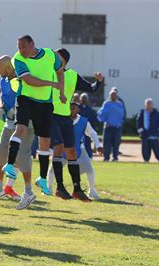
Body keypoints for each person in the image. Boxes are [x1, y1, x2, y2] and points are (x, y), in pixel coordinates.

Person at [2, 35, 65, 206]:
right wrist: (53, 85)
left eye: (23, 46)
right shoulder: (17, 59)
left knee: (45, 141)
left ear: (32, 44)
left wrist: (61, 91)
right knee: (21, 129)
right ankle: (9, 165)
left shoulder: (50, 55)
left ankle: (43, 179)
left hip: (45, 103)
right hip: (26, 99)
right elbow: (29, 80)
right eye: (19, 47)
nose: (21, 50)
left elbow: (60, 70)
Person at [48, 48, 102, 201]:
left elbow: (91, 88)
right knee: (58, 149)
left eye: (56, 57)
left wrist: (98, 81)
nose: (53, 59)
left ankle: (77, 189)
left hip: (65, 118)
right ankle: (59, 187)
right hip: (51, 116)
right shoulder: (47, 72)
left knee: (71, 152)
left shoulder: (72, 75)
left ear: (63, 60)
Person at [0, 55, 36, 209]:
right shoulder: (3, 81)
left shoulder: (21, 80)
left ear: (7, 67)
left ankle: (28, 192)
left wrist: (18, 110)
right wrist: (0, 108)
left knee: (21, 158)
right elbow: (3, 100)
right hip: (9, 124)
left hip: (25, 124)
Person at [47, 102, 103, 199]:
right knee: (52, 170)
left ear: (78, 109)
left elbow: (92, 133)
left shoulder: (83, 121)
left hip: (78, 149)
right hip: (62, 150)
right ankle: (49, 188)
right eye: (70, 107)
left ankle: (92, 190)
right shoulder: (61, 119)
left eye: (74, 108)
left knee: (90, 170)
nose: (71, 110)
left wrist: (98, 145)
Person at [97, 90, 125, 161]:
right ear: (109, 96)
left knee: (116, 143)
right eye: (112, 95)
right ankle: (106, 157)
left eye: (114, 95)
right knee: (106, 143)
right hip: (108, 127)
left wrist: (120, 122)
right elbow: (101, 113)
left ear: (117, 96)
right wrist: (104, 120)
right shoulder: (106, 103)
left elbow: (122, 114)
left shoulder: (120, 104)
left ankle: (115, 157)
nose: (113, 96)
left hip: (117, 127)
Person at [136, 98, 159, 162]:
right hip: (145, 134)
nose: (148, 105)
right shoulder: (142, 112)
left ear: (152, 104)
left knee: (156, 148)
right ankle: (146, 160)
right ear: (145, 105)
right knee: (145, 148)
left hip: (154, 134)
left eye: (150, 104)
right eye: (147, 104)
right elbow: (138, 122)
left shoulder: (156, 112)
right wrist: (140, 130)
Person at [79, 93, 98, 158]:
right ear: (80, 99)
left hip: (87, 130)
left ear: (87, 100)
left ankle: (89, 157)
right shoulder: (77, 108)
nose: (84, 100)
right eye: (82, 98)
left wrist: (93, 128)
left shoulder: (90, 110)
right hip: (78, 129)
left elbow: (93, 120)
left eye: (85, 98)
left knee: (87, 144)